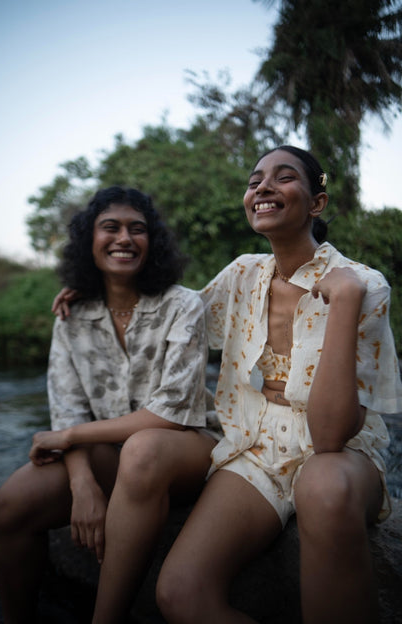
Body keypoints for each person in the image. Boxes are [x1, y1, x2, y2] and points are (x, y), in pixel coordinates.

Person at [152, 146, 402, 624]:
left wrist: (344, 301)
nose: (262, 187)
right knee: (180, 594)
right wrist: (97, 290)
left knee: (323, 486)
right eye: (254, 181)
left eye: (283, 178)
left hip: (339, 454)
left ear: (317, 204)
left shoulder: (365, 284)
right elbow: (171, 321)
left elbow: (331, 437)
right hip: (254, 446)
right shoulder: (241, 274)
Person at [0, 186, 219, 624]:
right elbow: (68, 411)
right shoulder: (72, 317)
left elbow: (171, 414)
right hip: (113, 456)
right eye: (110, 228)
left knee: (144, 448)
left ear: (153, 243)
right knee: (7, 510)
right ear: (87, 241)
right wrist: (82, 485)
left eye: (138, 229)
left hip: (186, 450)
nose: (124, 238)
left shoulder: (182, 305)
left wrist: (70, 438)